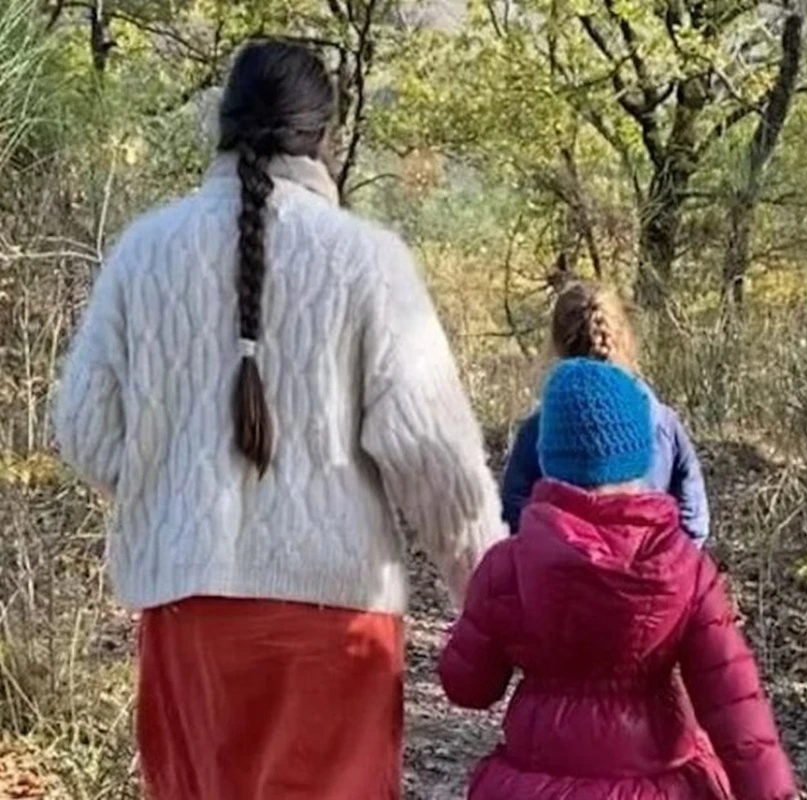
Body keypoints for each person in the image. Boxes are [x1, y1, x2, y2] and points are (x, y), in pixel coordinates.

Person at [53, 40, 504, 800]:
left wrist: (167, 488)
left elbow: (85, 427)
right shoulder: (368, 261)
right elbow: (437, 465)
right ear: (323, 136)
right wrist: (493, 604)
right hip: (335, 625)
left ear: (224, 126)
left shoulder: (143, 253)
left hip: (186, 618)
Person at [440, 358, 799, 800]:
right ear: (640, 457)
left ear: (547, 457)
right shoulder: (683, 568)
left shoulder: (505, 567)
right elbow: (734, 702)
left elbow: (468, 687)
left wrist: (470, 626)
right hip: (657, 784)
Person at [501, 281, 710, 544]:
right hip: (652, 566)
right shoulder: (663, 423)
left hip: (557, 568)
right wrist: (668, 563)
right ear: (623, 334)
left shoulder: (538, 430)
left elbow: (513, 515)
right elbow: (694, 521)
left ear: (557, 342)